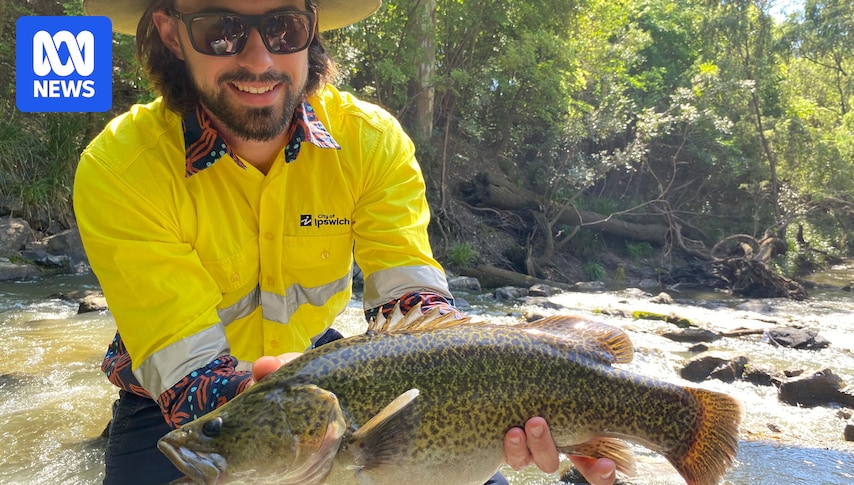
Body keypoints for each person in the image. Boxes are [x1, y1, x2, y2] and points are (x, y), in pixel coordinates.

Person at [75, 0, 618, 483]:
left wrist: (528, 389)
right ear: (171, 34)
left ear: (311, 30)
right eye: (222, 30)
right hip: (186, 407)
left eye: (285, 27)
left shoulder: (371, 141)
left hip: (333, 376)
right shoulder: (120, 170)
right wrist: (294, 435)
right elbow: (189, 371)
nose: (260, 60)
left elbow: (414, 300)